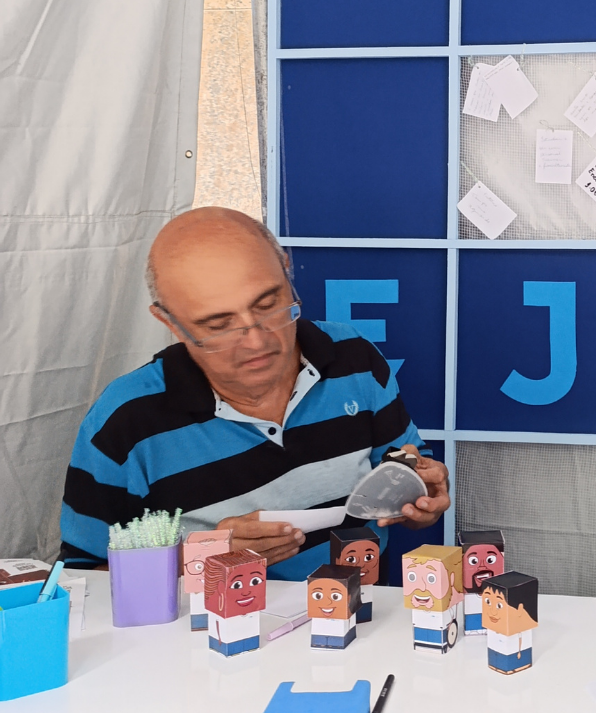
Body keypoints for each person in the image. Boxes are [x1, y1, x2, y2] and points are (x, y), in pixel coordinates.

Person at [59, 207, 450, 580]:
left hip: (356, 615)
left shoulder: (355, 359)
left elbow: (404, 467)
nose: (256, 341)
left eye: (270, 305)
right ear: (171, 324)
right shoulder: (126, 420)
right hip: (205, 638)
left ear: (286, 269)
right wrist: (203, 558)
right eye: (219, 325)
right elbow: (83, 576)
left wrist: (422, 496)